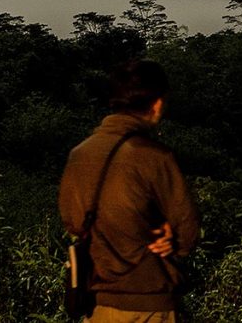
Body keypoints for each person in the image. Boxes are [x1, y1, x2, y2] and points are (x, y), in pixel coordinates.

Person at [59, 60, 200, 323]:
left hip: (99, 302)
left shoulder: (79, 155)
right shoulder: (154, 156)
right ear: (156, 103)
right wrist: (168, 234)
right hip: (150, 300)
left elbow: (74, 222)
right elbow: (188, 230)